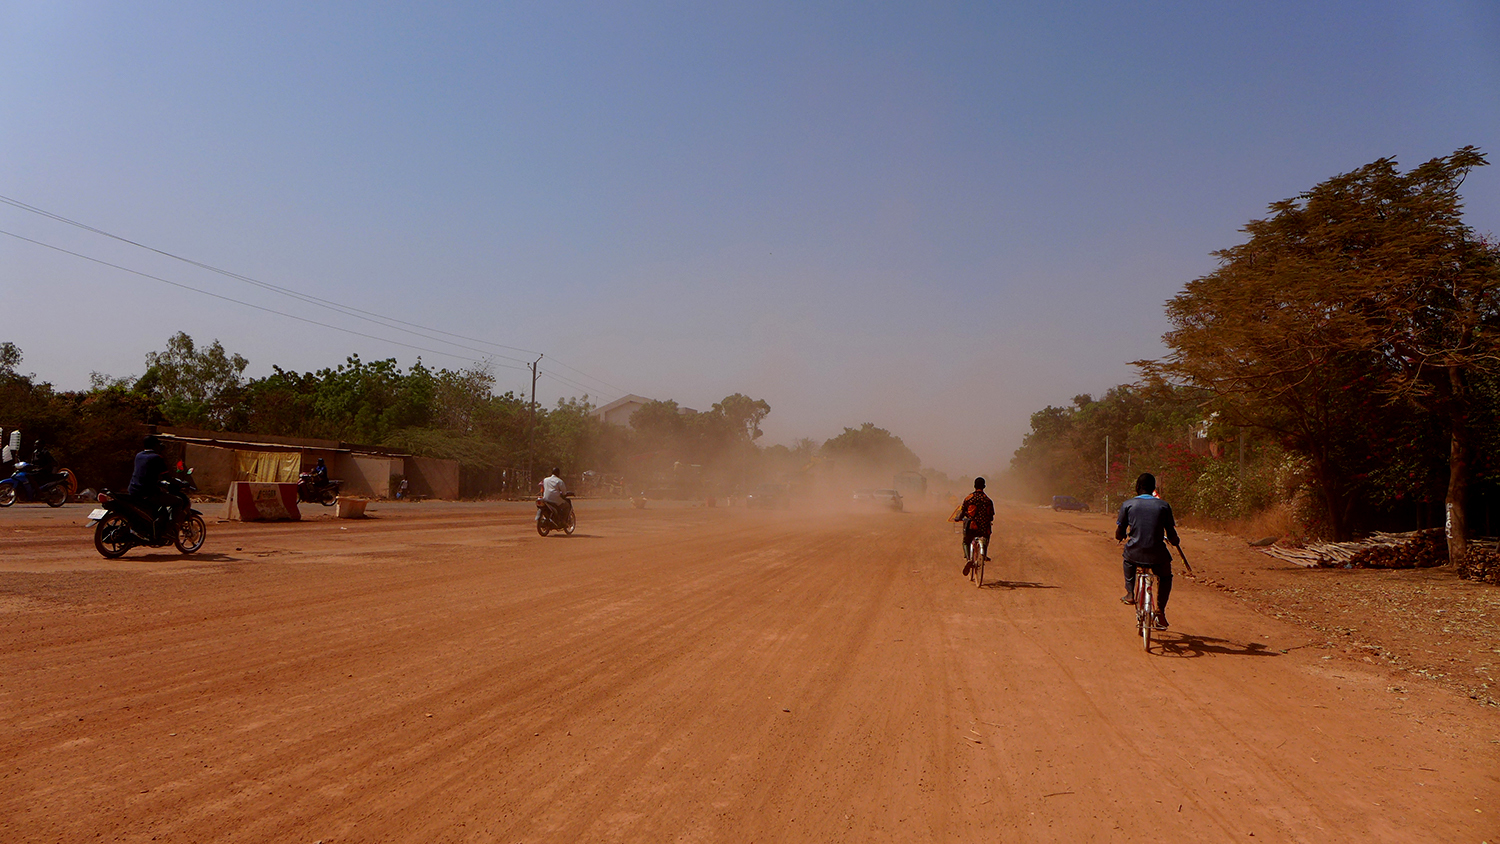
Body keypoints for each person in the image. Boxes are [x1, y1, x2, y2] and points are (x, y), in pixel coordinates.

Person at [1116, 472, 1181, 629]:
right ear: (1154, 488)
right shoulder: (1164, 505)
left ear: (1137, 487)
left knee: (1127, 559)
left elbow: (1119, 532)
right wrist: (1175, 542)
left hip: (1135, 553)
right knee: (1165, 577)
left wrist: (1121, 536)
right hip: (1157, 555)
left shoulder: (1127, 505)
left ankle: (1130, 593)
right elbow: (1172, 535)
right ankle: (1160, 612)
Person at [128, 436, 173, 538]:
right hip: (148, 492)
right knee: (177, 501)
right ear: (155, 445)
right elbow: (167, 476)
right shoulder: (156, 457)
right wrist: (178, 483)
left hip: (133, 490)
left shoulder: (138, 455)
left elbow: (145, 473)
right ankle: (168, 530)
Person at [953, 477, 995, 576]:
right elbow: (991, 516)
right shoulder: (988, 500)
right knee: (986, 536)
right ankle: (983, 552)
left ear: (974, 486)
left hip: (971, 527)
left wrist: (957, 518)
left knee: (965, 542)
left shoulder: (969, 498)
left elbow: (962, 512)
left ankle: (968, 559)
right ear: (984, 486)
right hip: (984, 528)